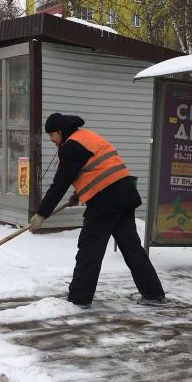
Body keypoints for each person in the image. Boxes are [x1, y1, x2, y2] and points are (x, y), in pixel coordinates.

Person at [30, 113, 166, 308]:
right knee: (132, 249)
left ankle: (78, 299)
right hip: (124, 196)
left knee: (89, 250)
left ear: (60, 132)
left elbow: (60, 183)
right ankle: (154, 294)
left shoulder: (70, 147)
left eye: (51, 135)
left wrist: (42, 213)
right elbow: (95, 168)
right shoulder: (85, 137)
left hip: (105, 202)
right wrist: (78, 195)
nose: (51, 140)